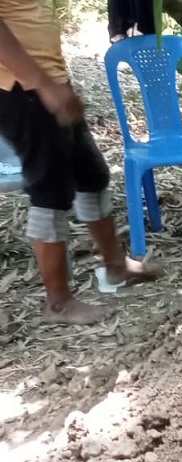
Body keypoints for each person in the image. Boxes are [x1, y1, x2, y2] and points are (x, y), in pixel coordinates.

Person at [0, 7, 158, 325]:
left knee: (91, 173)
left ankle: (116, 266)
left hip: (48, 81)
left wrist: (57, 82)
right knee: (50, 190)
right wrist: (42, 83)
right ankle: (58, 304)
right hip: (21, 88)